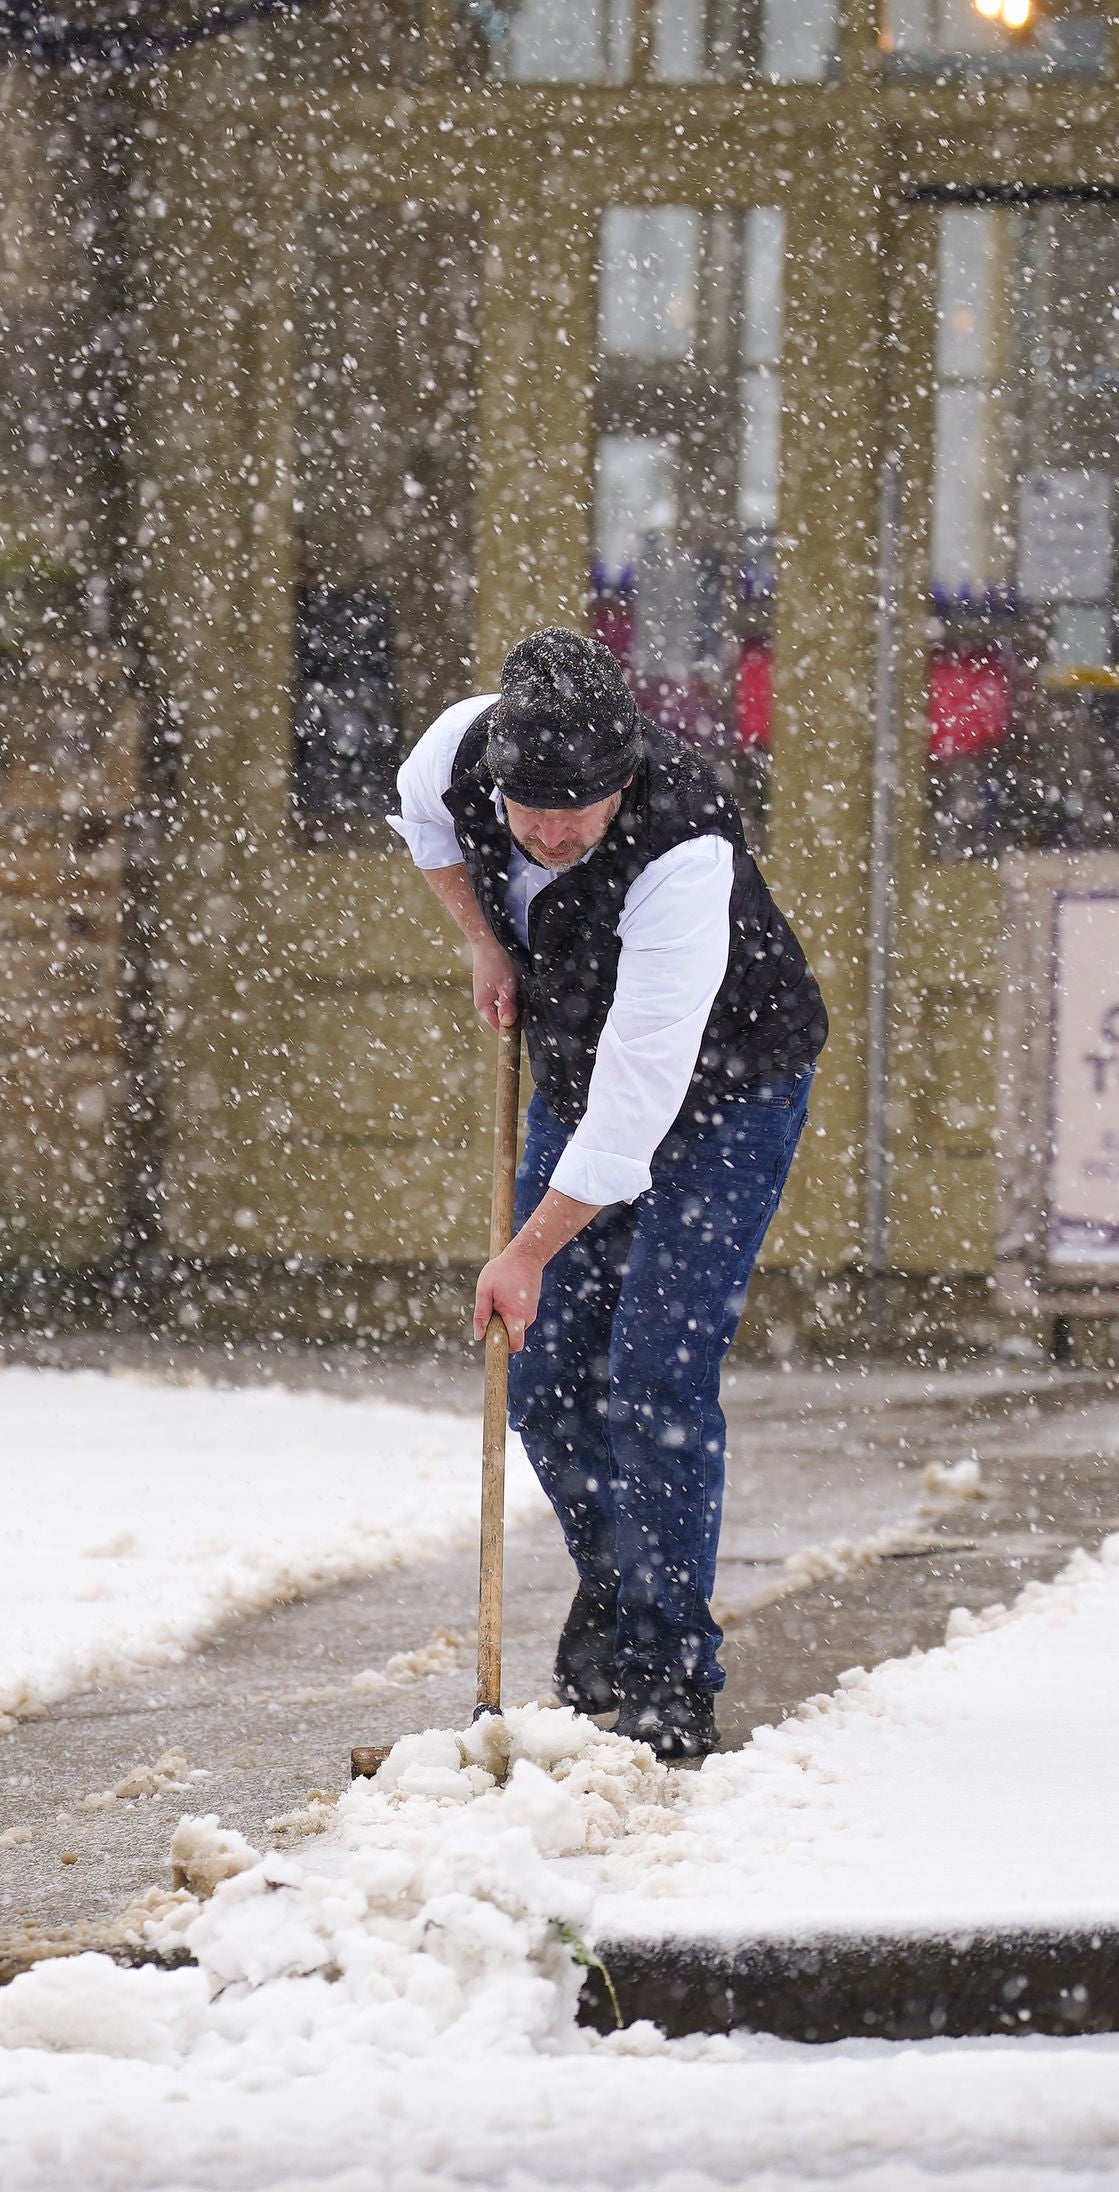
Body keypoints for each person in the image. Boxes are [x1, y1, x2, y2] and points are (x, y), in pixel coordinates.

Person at [388, 627, 829, 1759]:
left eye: (572, 809)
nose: (545, 829)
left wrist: (525, 1249)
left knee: (652, 1375)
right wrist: (486, 943)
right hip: (582, 1068)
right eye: (526, 808)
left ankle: (670, 1667)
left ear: (622, 773)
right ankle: (622, 1585)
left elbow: (636, 1110)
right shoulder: (458, 754)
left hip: (727, 1092)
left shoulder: (682, 848)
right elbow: (426, 821)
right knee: (537, 1375)